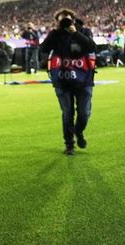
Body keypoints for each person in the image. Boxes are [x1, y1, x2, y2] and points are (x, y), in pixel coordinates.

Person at [40, 9, 96, 156]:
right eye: (61, 20)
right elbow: (43, 49)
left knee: (84, 113)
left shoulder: (84, 31)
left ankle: (78, 131)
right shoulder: (55, 34)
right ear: (57, 22)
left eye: (67, 19)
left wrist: (75, 33)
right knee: (67, 113)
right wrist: (54, 33)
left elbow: (92, 47)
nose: (64, 21)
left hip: (84, 79)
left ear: (73, 19)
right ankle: (69, 144)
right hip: (62, 80)